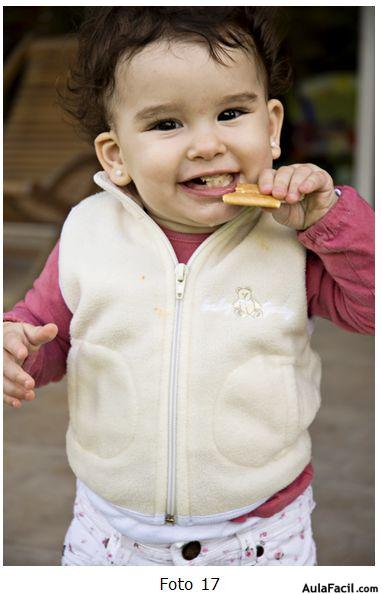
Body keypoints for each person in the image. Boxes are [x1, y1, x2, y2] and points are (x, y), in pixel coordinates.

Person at [3, 7, 374, 566]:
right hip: (110, 529)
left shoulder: (292, 235)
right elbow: (50, 334)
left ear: (271, 128)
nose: (206, 144)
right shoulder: (88, 230)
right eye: (166, 124)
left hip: (261, 531)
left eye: (230, 113)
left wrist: (333, 222)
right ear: (117, 156)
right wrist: (18, 349)